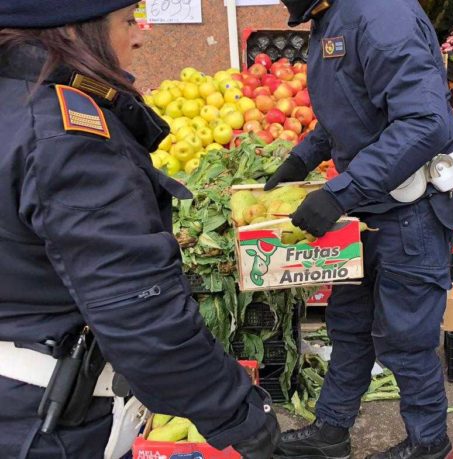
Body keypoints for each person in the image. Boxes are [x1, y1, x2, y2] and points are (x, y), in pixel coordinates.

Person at [0, 3, 279, 458]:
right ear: (72, 27)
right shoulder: (64, 133)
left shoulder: (15, 101)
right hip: (48, 421)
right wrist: (239, 412)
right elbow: (137, 307)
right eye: (128, 20)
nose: (139, 36)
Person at [265, 0, 453, 458]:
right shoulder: (332, 17)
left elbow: (425, 121)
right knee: (350, 324)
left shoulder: (382, 15)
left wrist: (340, 191)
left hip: (410, 207)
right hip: (367, 207)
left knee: (406, 337)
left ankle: (429, 442)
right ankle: (332, 430)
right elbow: (355, 110)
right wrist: (305, 154)